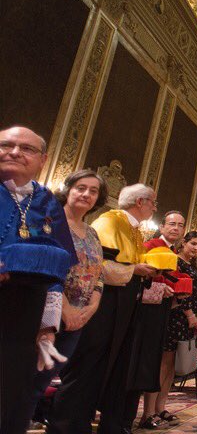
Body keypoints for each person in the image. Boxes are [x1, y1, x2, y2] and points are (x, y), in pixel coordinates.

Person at [48, 183, 159, 434]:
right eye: (153, 202)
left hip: (124, 304)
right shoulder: (110, 222)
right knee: (88, 366)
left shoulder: (135, 230)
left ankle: (90, 422)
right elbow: (101, 266)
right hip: (103, 304)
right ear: (139, 202)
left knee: (109, 368)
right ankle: (66, 425)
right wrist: (135, 270)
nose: (154, 207)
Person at [0, 126, 77, 434]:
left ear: (43, 159)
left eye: (26, 148)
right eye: (6, 144)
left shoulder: (46, 200)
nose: (15, 151)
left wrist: (47, 325)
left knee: (14, 395)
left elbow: (59, 266)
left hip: (26, 311)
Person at [24, 170, 106, 427]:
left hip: (78, 319)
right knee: (24, 379)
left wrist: (93, 305)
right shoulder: (50, 221)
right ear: (68, 189)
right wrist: (65, 308)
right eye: (81, 187)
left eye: (93, 191)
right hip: (44, 313)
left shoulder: (92, 233)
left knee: (43, 380)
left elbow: (98, 274)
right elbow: (41, 264)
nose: (86, 194)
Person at [143, 230, 197, 428]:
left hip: (191, 318)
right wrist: (190, 315)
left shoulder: (194, 266)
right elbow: (178, 290)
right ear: (183, 243)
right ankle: (149, 411)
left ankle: (161, 407)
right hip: (176, 316)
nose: (196, 248)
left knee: (171, 366)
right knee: (163, 363)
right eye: (193, 243)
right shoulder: (175, 261)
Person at [132, 213, 184, 430]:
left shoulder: (173, 252)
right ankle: (145, 413)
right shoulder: (150, 245)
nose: (176, 228)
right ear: (161, 226)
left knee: (156, 362)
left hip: (163, 312)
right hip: (145, 313)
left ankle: (152, 411)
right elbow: (140, 278)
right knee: (146, 363)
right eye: (171, 224)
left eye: (180, 225)